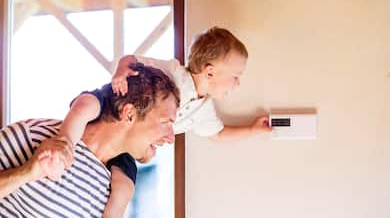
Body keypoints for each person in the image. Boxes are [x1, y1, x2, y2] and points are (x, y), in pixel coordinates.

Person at [42, 26, 273, 215]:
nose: (237, 84)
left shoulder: (204, 109)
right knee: (85, 106)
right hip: (110, 108)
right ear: (209, 72)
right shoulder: (171, 72)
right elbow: (131, 59)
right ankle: (63, 145)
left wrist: (253, 129)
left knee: (123, 189)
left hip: (129, 146)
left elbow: (218, 134)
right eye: (235, 77)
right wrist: (120, 73)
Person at [0, 65, 180, 218]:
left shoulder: (115, 189)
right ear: (129, 114)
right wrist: (27, 173)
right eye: (166, 123)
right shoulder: (33, 135)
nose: (172, 138)